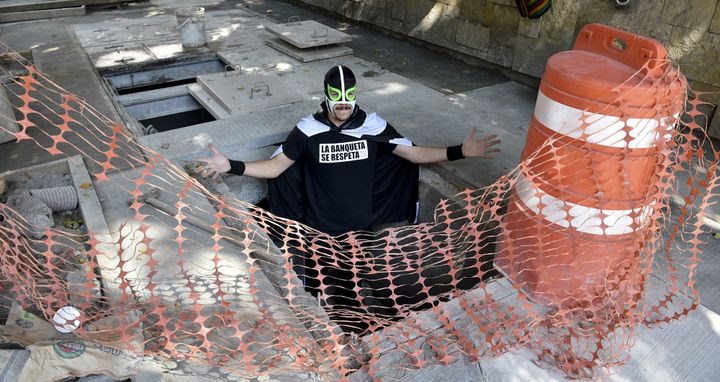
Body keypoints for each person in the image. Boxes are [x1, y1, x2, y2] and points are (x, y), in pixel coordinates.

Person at [197, 65, 502, 235]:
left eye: (349, 95)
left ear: (356, 94)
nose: (343, 102)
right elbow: (275, 168)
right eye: (336, 95)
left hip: (363, 225)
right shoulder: (308, 130)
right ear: (326, 96)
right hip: (319, 230)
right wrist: (231, 165)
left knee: (359, 280)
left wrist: (460, 151)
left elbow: (413, 154)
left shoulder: (372, 126)